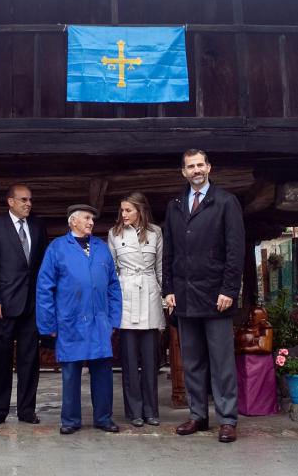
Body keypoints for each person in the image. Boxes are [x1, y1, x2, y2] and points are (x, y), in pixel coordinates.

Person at [162, 149, 245, 443]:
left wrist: (229, 290)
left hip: (216, 296)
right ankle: (198, 415)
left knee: (222, 362)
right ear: (183, 172)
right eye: (190, 166)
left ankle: (227, 419)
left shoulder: (226, 202)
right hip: (184, 296)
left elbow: (236, 251)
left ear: (209, 167)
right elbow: (169, 251)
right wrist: (168, 289)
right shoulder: (174, 205)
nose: (196, 170)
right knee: (192, 361)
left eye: (200, 165)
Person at [36, 204, 122, 435]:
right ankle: (71, 420)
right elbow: (44, 288)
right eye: (86, 218)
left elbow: (114, 285)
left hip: (99, 321)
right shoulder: (57, 248)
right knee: (71, 373)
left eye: (92, 219)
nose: (91, 222)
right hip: (69, 320)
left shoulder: (101, 247)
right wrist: (48, 325)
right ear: (73, 221)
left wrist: (113, 319)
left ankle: (104, 418)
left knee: (103, 372)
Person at [0, 184, 48, 425]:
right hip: (4, 304)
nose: (28, 203)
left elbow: (42, 267)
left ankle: (27, 410)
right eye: (23, 200)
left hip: (31, 305)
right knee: (0, 359)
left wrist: (44, 299)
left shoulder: (38, 227)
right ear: (10, 201)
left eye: (30, 199)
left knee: (30, 359)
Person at [108, 191, 164, 427]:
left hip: (150, 294)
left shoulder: (156, 232)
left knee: (151, 360)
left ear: (140, 210)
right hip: (126, 295)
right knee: (129, 360)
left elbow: (161, 268)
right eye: (122, 210)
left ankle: (151, 410)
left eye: (128, 210)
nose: (124, 214)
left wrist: (165, 298)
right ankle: (134, 411)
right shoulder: (114, 233)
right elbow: (112, 272)